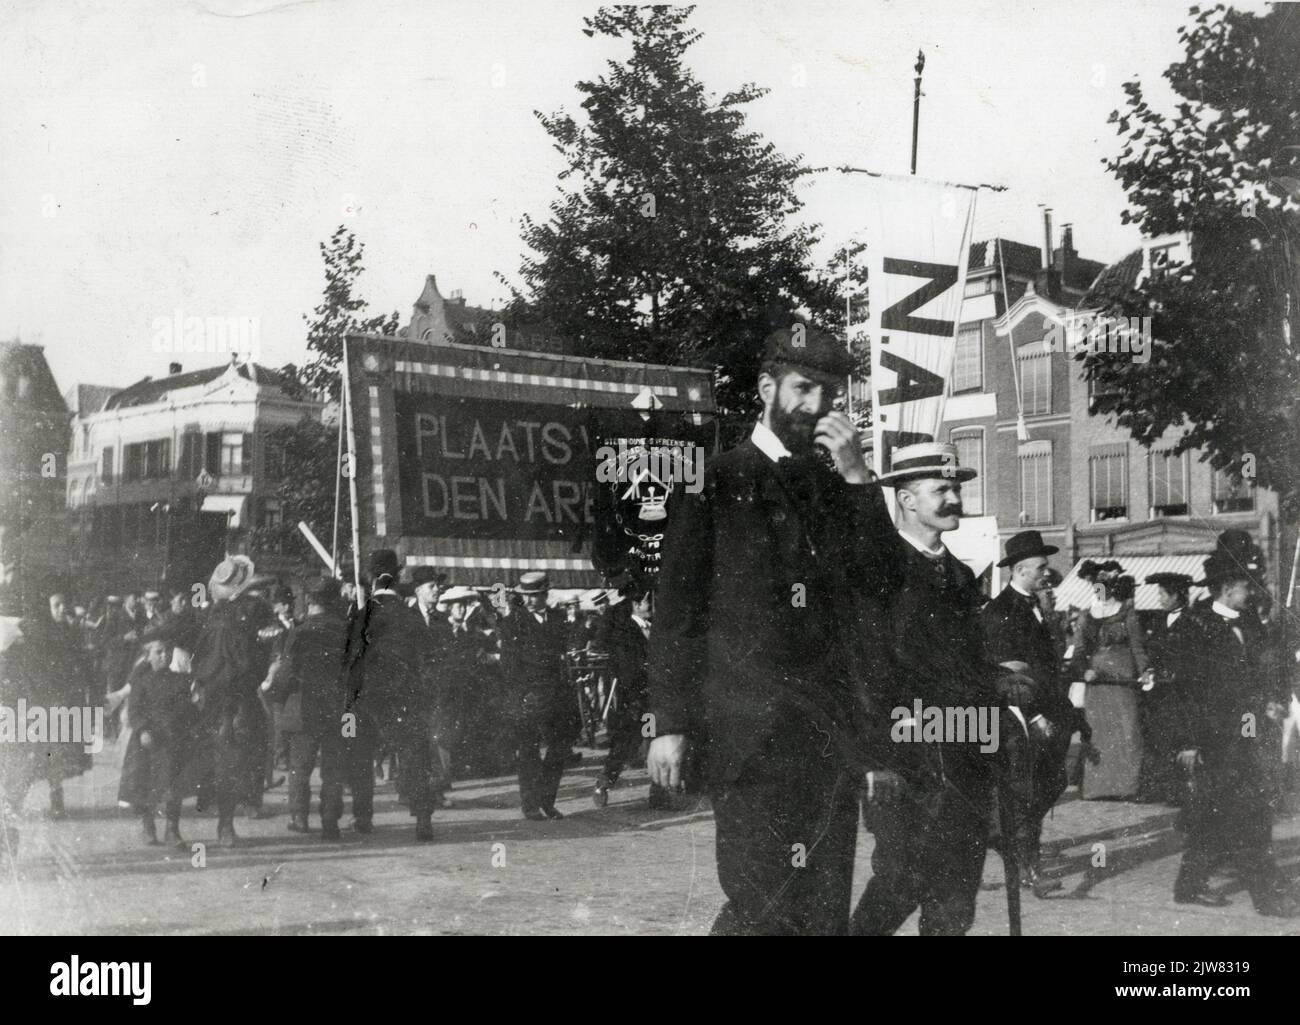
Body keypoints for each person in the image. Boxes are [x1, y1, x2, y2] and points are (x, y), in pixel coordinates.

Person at [648, 323, 904, 935]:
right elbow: (677, 615)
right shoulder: (713, 480)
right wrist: (671, 723)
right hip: (747, 740)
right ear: (768, 387)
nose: (817, 408)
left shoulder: (837, 486)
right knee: (761, 904)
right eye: (803, 389)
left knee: (824, 910)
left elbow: (885, 586)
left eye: (830, 396)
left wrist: (859, 478)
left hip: (827, 740)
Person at [850, 443, 1033, 935]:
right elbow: (867, 669)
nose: (954, 498)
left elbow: (958, 663)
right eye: (941, 490)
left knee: (956, 895)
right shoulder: (880, 573)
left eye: (956, 488)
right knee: (901, 882)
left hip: (966, 757)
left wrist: (996, 676)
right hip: (907, 761)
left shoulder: (960, 576)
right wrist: (876, 760)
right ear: (907, 500)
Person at [1167, 531, 1298, 916]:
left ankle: (1189, 884)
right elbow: (1181, 692)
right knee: (1243, 810)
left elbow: (1265, 671)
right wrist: (1187, 742)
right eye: (1244, 586)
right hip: (1212, 734)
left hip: (1247, 728)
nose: (1250, 592)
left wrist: (1272, 702)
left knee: (1231, 809)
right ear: (1225, 588)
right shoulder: (1192, 627)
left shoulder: (1250, 622)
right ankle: (1267, 895)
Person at [981, 531, 1093, 899]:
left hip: (1051, 713)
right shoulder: (999, 611)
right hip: (1023, 719)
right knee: (1024, 794)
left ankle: (1010, 847)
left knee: (1049, 785)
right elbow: (1006, 675)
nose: (1048, 572)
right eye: (1042, 566)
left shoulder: (1038, 606)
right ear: (1022, 568)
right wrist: (1030, 716)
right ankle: (1027, 868)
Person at [345, 550, 440, 841]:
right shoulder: (412, 617)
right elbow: (428, 661)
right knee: (414, 756)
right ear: (398, 578)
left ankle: (363, 818)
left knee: (362, 757)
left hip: (369, 698)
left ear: (372, 580)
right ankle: (423, 820)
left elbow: (350, 662)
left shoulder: (362, 615)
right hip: (406, 697)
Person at [268, 579, 364, 839]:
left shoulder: (300, 632)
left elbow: (286, 673)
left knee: (299, 768)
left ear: (310, 601)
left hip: (304, 709)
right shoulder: (348, 631)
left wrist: (276, 693)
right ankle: (330, 822)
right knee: (334, 770)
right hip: (337, 709)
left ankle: (300, 818)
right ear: (335, 601)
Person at [189, 555, 275, 846]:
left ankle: (209, 808)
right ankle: (229, 823)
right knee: (241, 755)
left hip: (211, 697)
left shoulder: (209, 614)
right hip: (239, 697)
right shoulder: (255, 609)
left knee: (213, 756)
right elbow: (266, 648)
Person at [492, 571, 574, 820]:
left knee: (559, 748)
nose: (528, 601)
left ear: (545, 594)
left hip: (556, 695)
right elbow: (507, 665)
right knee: (529, 750)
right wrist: (520, 696)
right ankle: (530, 805)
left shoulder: (559, 619)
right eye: (525, 596)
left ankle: (547, 800)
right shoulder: (513, 622)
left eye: (535, 596)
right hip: (528, 695)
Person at [1071, 560, 1148, 799]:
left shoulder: (1127, 613)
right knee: (1099, 732)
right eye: (1097, 587)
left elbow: (1137, 646)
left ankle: (1128, 787)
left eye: (1104, 586)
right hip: (1098, 683)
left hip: (1123, 680)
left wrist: (1144, 671)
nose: (1100, 591)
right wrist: (1084, 671)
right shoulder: (1086, 617)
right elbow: (1079, 652)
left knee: (1128, 730)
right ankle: (1099, 789)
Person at [119, 636, 203, 847]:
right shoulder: (141, 681)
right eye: (158, 652)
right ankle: (148, 826)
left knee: (173, 787)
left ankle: (172, 830)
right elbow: (134, 710)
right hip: (147, 741)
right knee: (146, 784)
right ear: (148, 657)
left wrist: (195, 707)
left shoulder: (180, 680)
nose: (164, 655)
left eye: (166, 651)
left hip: (172, 740)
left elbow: (187, 709)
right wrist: (142, 730)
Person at [594, 586, 652, 807]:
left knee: (652, 736)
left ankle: (658, 790)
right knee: (626, 742)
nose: (652, 607)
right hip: (633, 697)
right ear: (637, 605)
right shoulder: (626, 632)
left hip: (651, 697)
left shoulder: (654, 628)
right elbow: (626, 665)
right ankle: (604, 781)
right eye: (648, 603)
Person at [1139, 572, 1193, 805]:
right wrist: (1150, 670)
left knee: (1179, 737)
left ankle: (1180, 790)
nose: (1160, 599)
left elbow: (1193, 656)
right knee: (1159, 738)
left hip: (1181, 691)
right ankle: (1161, 787)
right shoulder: (1159, 620)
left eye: (1163, 594)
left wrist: (1177, 673)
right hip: (1160, 691)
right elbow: (1153, 652)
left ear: (1177, 595)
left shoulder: (1192, 620)